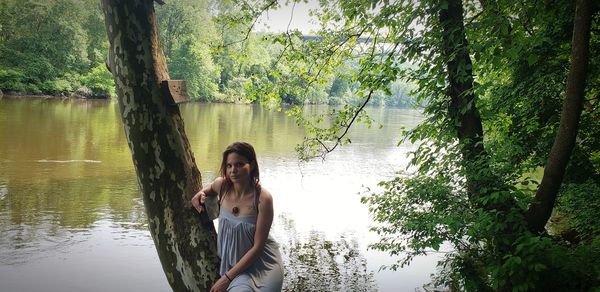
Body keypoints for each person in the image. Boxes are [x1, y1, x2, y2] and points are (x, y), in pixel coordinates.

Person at [191, 142, 283, 292]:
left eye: (239, 164)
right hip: (234, 265)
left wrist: (226, 279)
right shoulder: (222, 186)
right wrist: (200, 194)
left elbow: (258, 247)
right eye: (229, 166)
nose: (233, 170)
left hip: (263, 264)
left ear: (251, 165)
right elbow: (208, 190)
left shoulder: (263, 199)